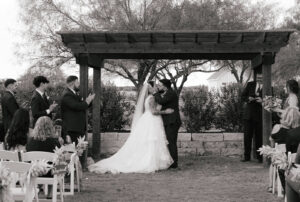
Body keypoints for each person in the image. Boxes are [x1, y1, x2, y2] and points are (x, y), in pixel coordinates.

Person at [88, 81, 174, 174]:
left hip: (147, 119)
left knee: (149, 141)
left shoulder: (148, 98)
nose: (157, 87)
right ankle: (150, 162)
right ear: (151, 88)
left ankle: (153, 161)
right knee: (151, 141)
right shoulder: (152, 98)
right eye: (156, 86)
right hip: (152, 120)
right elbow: (153, 112)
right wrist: (165, 112)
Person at [26, 116, 62, 199]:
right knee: (59, 164)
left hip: (34, 172)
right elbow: (59, 160)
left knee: (38, 163)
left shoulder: (30, 142)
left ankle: (37, 189)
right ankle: (50, 192)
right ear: (50, 127)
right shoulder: (55, 142)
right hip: (51, 173)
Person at [153, 79, 182, 169]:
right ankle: (170, 161)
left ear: (165, 86)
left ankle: (174, 164)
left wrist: (155, 92)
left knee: (171, 142)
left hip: (172, 121)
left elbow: (161, 101)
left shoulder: (171, 93)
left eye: (160, 85)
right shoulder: (166, 92)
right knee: (169, 142)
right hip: (168, 121)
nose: (159, 87)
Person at [61, 75, 95, 144]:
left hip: (77, 128)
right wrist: (87, 101)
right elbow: (76, 106)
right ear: (72, 83)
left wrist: (89, 101)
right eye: (77, 82)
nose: (79, 84)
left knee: (79, 151)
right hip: (72, 129)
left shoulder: (74, 94)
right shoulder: (67, 94)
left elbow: (82, 105)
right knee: (73, 151)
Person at [241, 73, 263, 162]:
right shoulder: (250, 84)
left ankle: (260, 157)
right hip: (248, 115)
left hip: (260, 115)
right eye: (258, 77)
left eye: (261, 78)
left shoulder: (269, 87)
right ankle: (246, 157)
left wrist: (262, 101)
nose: (259, 79)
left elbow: (271, 100)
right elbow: (242, 96)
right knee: (247, 137)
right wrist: (248, 99)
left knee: (259, 137)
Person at [270, 79, 300, 145]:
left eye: (286, 86)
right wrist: (279, 112)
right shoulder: (290, 97)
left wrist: (278, 110)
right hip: (286, 124)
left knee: (273, 138)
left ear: (290, 88)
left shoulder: (293, 98)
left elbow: (292, 113)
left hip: (288, 127)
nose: (284, 88)